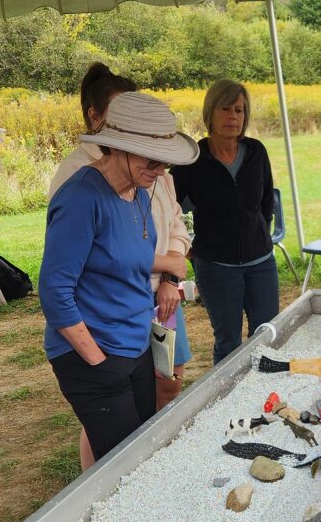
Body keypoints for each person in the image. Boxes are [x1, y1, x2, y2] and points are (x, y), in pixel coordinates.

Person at [40, 91, 199, 467]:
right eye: (152, 158)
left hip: (135, 345)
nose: (160, 169)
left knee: (142, 449)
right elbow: (54, 291)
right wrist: (96, 359)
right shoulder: (81, 198)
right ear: (118, 147)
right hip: (93, 354)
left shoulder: (139, 193)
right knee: (123, 464)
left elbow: (130, 266)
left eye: (166, 161)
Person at [172, 79, 278, 364]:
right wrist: (187, 248)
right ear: (211, 113)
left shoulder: (257, 152)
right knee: (228, 342)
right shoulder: (192, 158)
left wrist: (260, 236)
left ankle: (268, 398)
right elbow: (166, 208)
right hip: (217, 267)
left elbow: (266, 202)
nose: (233, 117)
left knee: (268, 336)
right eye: (226, 109)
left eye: (240, 110)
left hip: (261, 264)